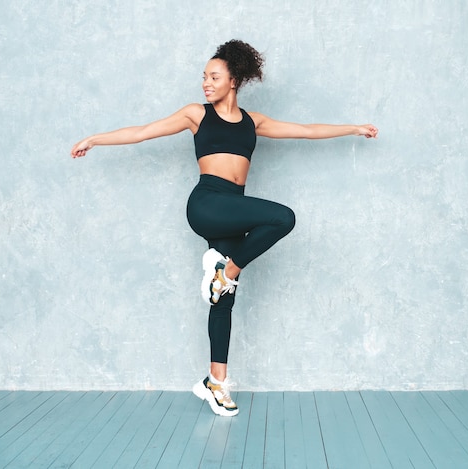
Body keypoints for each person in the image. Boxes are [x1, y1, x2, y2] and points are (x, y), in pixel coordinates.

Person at [71, 39, 378, 417]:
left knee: (224, 299)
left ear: (234, 80)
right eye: (204, 77)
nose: (206, 83)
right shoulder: (195, 115)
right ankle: (226, 272)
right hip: (207, 203)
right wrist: (94, 139)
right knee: (283, 217)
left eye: (214, 77)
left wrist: (352, 129)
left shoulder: (254, 121)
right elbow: (143, 131)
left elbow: (305, 129)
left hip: (233, 207)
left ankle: (215, 381)